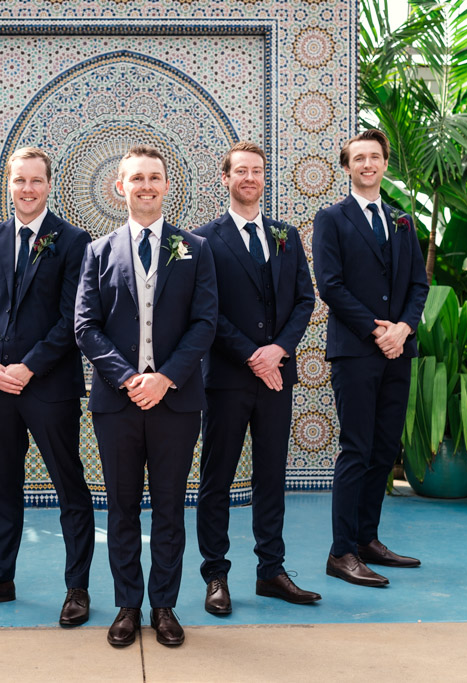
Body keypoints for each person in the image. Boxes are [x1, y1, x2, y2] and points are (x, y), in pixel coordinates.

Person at [0, 148, 95, 625]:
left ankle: (77, 588)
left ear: (49, 185)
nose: (27, 189)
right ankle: (0, 577)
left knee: (70, 486)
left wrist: (28, 368)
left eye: (35, 181)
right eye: (19, 181)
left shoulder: (73, 241)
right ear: (8, 185)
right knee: (3, 487)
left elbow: (73, 318)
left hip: (48, 387)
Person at [75, 145, 217, 648]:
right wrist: (129, 378)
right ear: (121, 188)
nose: (146, 186)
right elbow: (86, 327)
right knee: (121, 508)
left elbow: (204, 324)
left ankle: (165, 606)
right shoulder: (97, 252)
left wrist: (166, 378)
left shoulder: (195, 249)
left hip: (176, 402)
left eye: (154, 177)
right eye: (137, 178)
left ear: (166, 185)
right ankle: (127, 605)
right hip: (117, 404)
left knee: (171, 508)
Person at [194, 141, 319, 614]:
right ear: (224, 179)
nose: (250, 178)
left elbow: (305, 298)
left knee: (271, 476)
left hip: (276, 379)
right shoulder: (203, 239)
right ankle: (216, 575)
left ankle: (271, 570)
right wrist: (252, 354)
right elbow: (205, 310)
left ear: (265, 179)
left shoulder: (286, 235)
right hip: (226, 379)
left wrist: (279, 350)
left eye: (257, 171)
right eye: (240, 171)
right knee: (217, 480)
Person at [310, 129, 429, 587]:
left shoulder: (402, 220)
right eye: (358, 158)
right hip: (356, 351)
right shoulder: (331, 218)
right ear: (347, 167)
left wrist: (403, 328)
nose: (367, 164)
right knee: (356, 449)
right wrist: (377, 330)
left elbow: (418, 283)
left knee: (383, 448)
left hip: (399, 350)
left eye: (374, 157)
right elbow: (330, 285)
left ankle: (367, 539)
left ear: (384, 165)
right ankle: (340, 552)